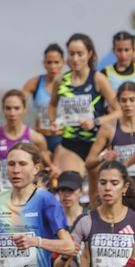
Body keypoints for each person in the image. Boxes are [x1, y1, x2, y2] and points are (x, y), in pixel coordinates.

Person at [48, 34, 121, 174]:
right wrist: (53, 122)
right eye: (71, 54)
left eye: (80, 54)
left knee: (96, 193)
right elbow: (52, 105)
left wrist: (96, 121)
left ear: (89, 54)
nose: (75, 59)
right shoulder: (60, 80)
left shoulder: (98, 79)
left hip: (96, 144)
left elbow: (119, 111)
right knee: (71, 187)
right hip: (70, 144)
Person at [0, 90, 59, 193]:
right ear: (3, 109)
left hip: (28, 198)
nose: (12, 113)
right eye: (8, 108)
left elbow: (48, 167)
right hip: (0, 196)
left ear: (24, 109)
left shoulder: (36, 139)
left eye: (16, 108)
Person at [88, 82, 135, 193]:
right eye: (123, 100)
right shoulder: (108, 128)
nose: (128, 104)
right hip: (120, 188)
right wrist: (102, 158)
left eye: (132, 100)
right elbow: (89, 162)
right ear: (118, 102)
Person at [23, 43, 66, 153]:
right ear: (44, 64)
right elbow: (17, 100)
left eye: (56, 62)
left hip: (63, 137)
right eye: (49, 62)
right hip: (41, 136)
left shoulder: (69, 83)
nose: (53, 67)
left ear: (63, 63)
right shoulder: (35, 83)